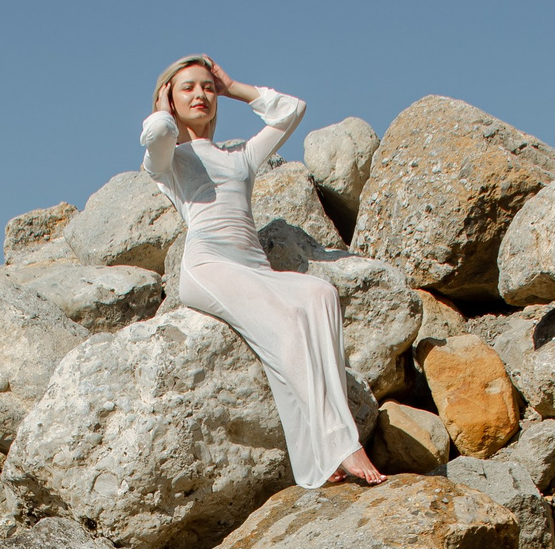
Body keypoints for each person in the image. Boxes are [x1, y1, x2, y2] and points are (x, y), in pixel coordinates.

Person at [140, 57, 383, 487]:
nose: (201, 94)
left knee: (319, 295)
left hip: (254, 266)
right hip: (208, 265)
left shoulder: (241, 157)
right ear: (170, 100)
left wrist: (233, 86)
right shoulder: (169, 160)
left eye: (207, 87)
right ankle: (343, 444)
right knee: (288, 327)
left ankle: (318, 456)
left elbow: (292, 109)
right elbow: (157, 133)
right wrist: (162, 106)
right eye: (187, 88)